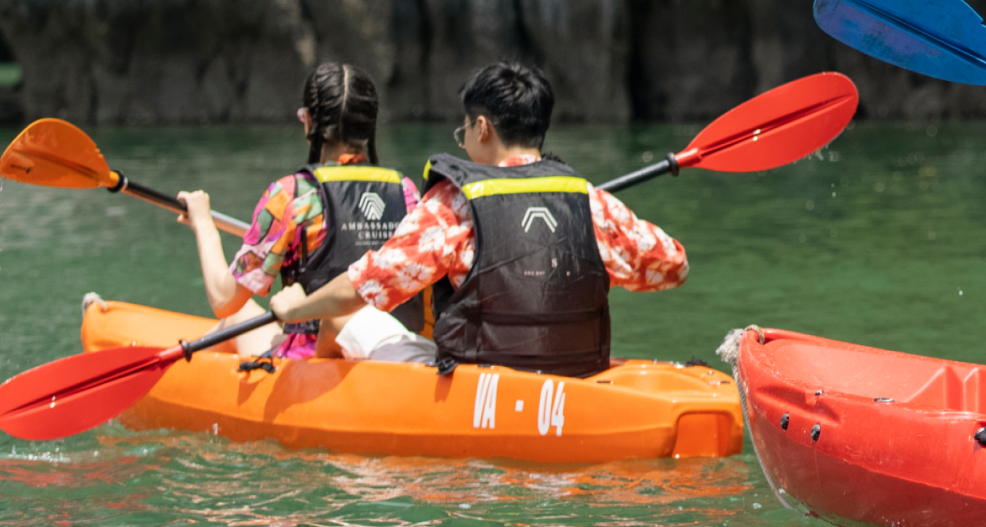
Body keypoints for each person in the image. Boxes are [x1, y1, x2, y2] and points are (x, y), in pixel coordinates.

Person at [266, 59, 687, 373]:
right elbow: (674, 267)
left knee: (342, 314)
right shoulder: (591, 202)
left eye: (464, 131)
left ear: (482, 128)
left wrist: (297, 308)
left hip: (475, 384)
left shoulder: (454, 205)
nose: (464, 142)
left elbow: (368, 284)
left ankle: (317, 383)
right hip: (575, 372)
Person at [178, 63, 434, 365]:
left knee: (236, 317)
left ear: (309, 120)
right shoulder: (406, 192)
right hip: (386, 350)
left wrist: (203, 223)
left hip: (311, 360)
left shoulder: (292, 196)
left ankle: (181, 376)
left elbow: (224, 300)